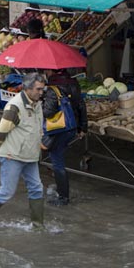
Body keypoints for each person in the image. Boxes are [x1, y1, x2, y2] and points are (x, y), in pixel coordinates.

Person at [0, 72, 47, 230]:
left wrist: (39, 140)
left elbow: (37, 127)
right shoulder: (15, 106)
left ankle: (38, 225)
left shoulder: (37, 104)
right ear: (27, 88)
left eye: (42, 89)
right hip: (12, 155)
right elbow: (2, 131)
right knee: (7, 191)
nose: (41, 92)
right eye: (38, 89)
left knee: (36, 188)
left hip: (30, 155)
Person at [41, 68, 88, 206]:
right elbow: (81, 105)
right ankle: (61, 190)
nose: (45, 72)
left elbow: (48, 112)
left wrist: (40, 105)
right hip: (71, 127)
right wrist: (82, 127)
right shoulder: (73, 83)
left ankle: (63, 197)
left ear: (51, 71)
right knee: (58, 157)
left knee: (57, 161)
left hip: (59, 129)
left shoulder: (52, 89)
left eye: (46, 70)